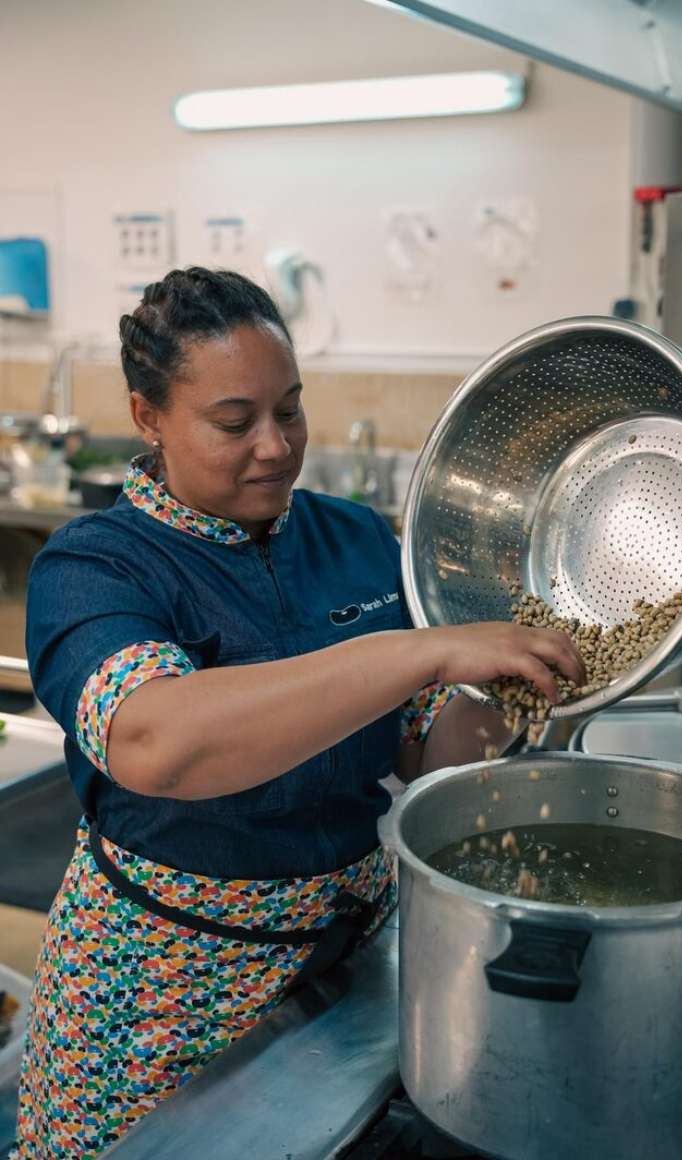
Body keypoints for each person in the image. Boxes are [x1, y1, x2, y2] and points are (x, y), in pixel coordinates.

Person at [12, 268, 583, 1158]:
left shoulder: (352, 538)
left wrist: (506, 681)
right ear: (148, 416)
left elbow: (431, 753)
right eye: (234, 423)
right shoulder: (95, 568)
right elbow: (160, 742)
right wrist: (421, 650)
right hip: (163, 987)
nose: (276, 447)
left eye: (291, 410)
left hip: (347, 956)